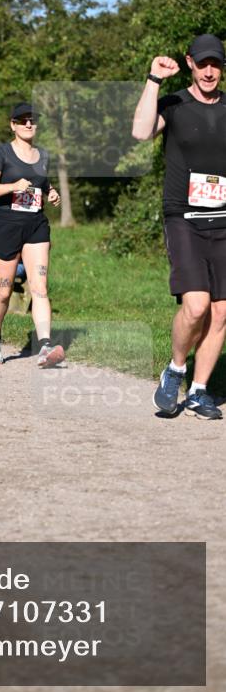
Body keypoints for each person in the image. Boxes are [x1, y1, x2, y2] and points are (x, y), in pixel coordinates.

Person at [132, 33, 226, 421]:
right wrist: (154, 80)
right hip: (183, 217)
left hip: (224, 220)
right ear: (189, 62)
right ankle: (175, 370)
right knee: (197, 304)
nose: (209, 71)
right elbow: (140, 132)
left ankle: (199, 392)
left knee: (221, 312)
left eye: (215, 64)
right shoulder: (174, 103)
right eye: (202, 63)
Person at [0, 102, 63, 367]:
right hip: (6, 226)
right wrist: (13, 186)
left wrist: (51, 192)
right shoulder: (1, 153)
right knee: (3, 292)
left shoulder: (44, 155)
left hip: (36, 225)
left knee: (40, 287)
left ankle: (45, 346)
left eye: (33, 120)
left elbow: (41, 182)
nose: (29, 124)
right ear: (13, 125)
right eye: (23, 120)